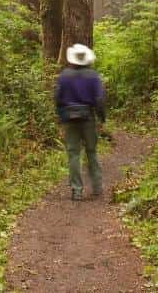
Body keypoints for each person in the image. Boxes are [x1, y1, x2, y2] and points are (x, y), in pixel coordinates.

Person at [54, 43, 106, 201]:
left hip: (69, 118)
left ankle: (76, 191)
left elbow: (57, 98)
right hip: (88, 117)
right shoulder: (93, 75)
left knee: (73, 154)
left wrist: (60, 116)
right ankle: (97, 187)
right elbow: (99, 99)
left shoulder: (64, 75)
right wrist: (102, 117)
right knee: (91, 152)